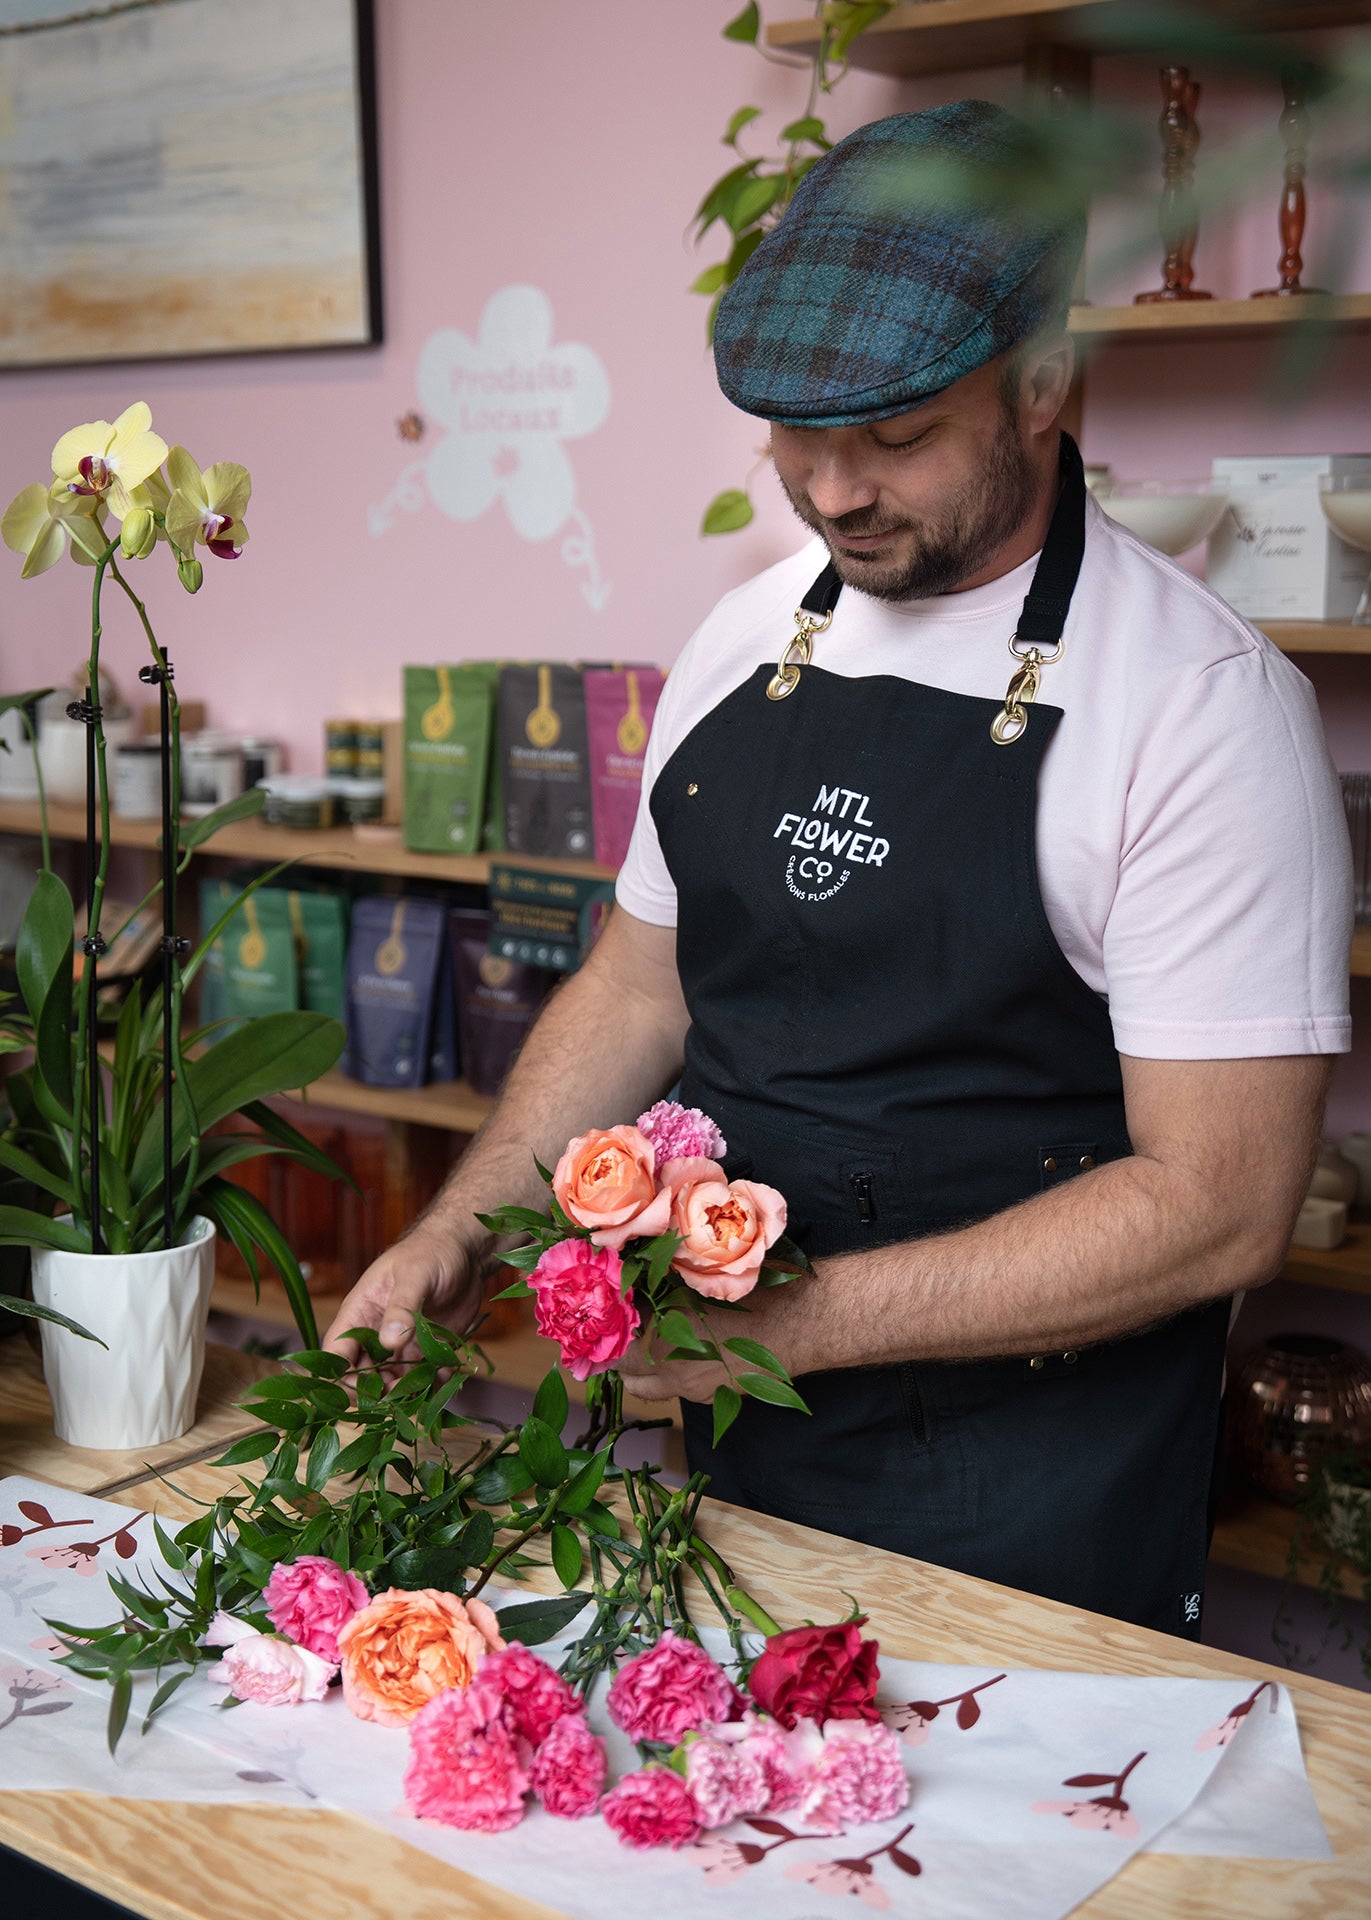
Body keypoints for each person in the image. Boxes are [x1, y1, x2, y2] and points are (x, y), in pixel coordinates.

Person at [324, 101, 1351, 1634]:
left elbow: (1221, 1202)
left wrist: (797, 1325)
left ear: (1047, 391)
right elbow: (639, 982)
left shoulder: (1203, 709)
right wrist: (458, 1226)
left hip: (1033, 1502)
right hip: (720, 1464)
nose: (835, 492)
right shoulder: (745, 637)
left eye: (896, 437)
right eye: (797, 438)